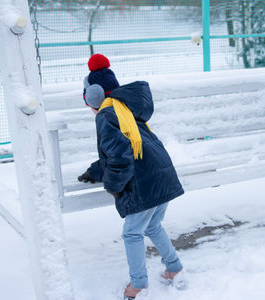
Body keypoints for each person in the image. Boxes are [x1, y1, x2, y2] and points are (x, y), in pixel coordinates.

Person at [82, 53, 186, 298]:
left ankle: (138, 285)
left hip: (145, 181)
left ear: (93, 96)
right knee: (152, 224)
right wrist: (95, 171)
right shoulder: (125, 110)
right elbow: (120, 150)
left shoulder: (106, 116)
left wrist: (114, 185)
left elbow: (119, 156)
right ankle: (175, 268)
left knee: (131, 232)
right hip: (161, 174)